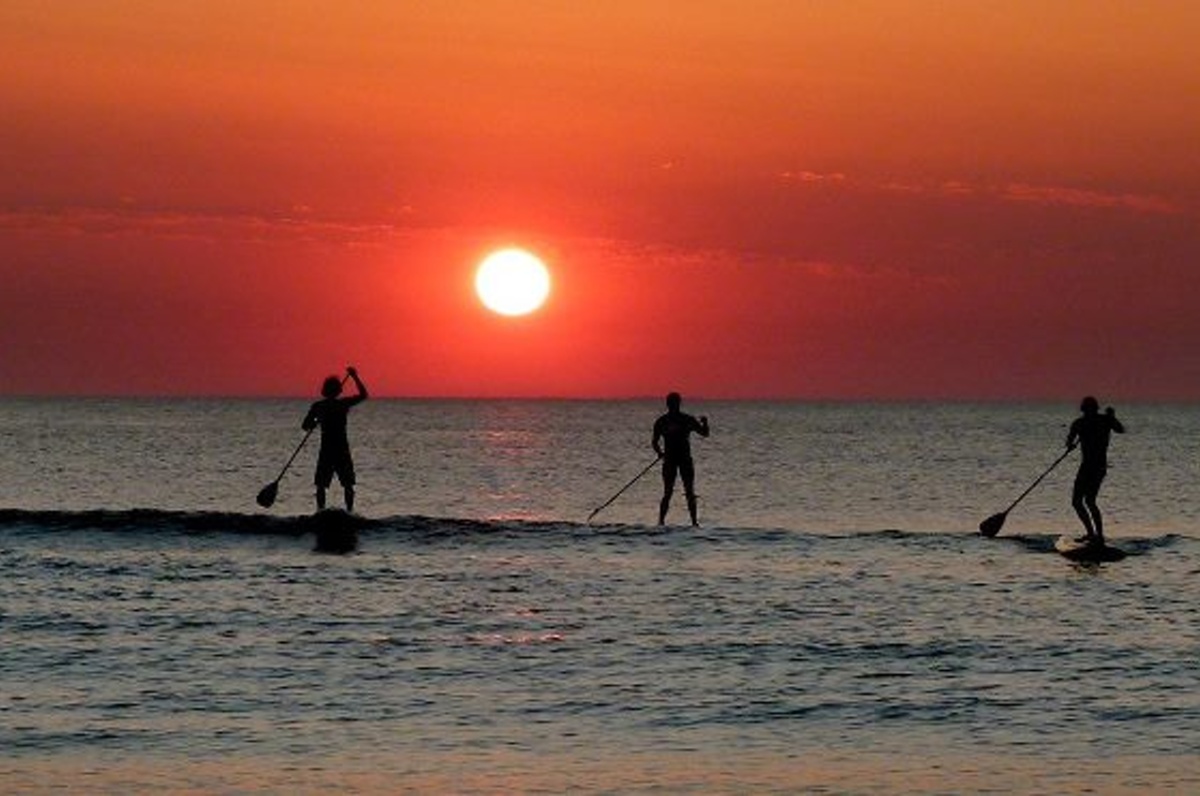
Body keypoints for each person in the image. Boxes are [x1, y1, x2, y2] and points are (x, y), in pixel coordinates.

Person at [302, 366, 368, 512]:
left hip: (329, 450)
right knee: (346, 485)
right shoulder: (339, 405)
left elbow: (305, 426)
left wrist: (313, 423)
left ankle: (321, 511)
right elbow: (363, 395)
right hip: (339, 449)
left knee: (322, 485)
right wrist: (355, 377)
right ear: (338, 390)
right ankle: (349, 511)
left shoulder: (320, 406)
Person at [1065, 396, 1124, 546]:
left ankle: (1097, 535)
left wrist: (1112, 417)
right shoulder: (1081, 423)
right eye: (1088, 409)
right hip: (1089, 467)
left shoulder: (1102, 421)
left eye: (1090, 409)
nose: (1089, 412)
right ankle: (1093, 534)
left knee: (1087, 501)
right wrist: (1070, 445)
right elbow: (1069, 441)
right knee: (1079, 502)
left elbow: (1120, 430)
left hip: (1096, 467)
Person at [652, 392, 710, 526]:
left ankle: (694, 522)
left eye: (675, 403)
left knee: (689, 491)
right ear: (668, 404)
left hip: (684, 460)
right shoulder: (662, 421)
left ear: (678, 403)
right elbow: (654, 442)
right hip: (670, 460)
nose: (673, 406)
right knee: (668, 492)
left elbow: (704, 433)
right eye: (672, 403)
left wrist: (705, 423)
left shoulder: (687, 419)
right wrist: (660, 453)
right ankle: (661, 522)